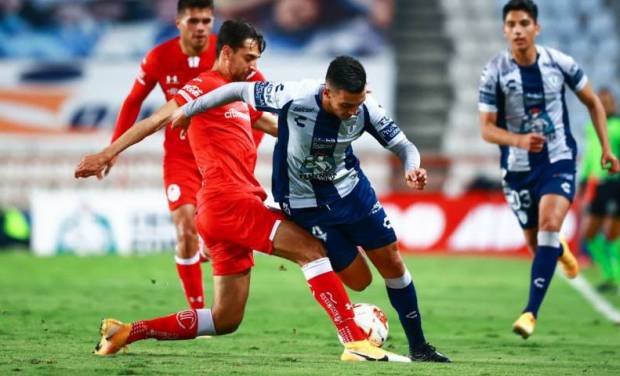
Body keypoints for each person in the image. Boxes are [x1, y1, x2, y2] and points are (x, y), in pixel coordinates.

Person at [75, 19, 409, 363]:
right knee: (311, 250)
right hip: (228, 202)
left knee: (226, 318)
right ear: (226, 52)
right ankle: (356, 341)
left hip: (222, 210)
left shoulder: (234, 98)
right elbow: (156, 119)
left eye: (257, 60)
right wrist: (107, 152)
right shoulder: (204, 85)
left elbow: (284, 129)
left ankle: (126, 332)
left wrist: (333, 136)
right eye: (249, 59)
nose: (254, 67)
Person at [170, 56, 450, 362]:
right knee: (360, 281)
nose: (352, 112)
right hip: (306, 206)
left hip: (352, 193)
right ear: (327, 92)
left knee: (393, 262)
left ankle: (419, 346)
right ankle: (354, 319)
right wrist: (189, 109)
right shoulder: (293, 96)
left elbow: (404, 146)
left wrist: (412, 168)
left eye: (357, 104)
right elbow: (236, 89)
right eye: (346, 105)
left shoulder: (366, 106)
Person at [107, 0, 270, 310]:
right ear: (178, 21)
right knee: (185, 229)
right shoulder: (159, 56)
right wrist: (113, 149)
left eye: (207, 21)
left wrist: (246, 150)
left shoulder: (228, 53)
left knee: (215, 228)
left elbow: (258, 111)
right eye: (194, 21)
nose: (201, 28)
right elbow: (134, 103)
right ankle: (197, 310)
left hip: (219, 162)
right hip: (181, 158)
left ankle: (218, 266)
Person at [478, 0, 620, 339]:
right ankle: (559, 250)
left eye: (524, 23)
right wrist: (519, 140)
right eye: (511, 24)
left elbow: (593, 102)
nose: (517, 30)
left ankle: (530, 312)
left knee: (549, 224)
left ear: (536, 28)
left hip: (557, 160)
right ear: (504, 29)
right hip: (516, 168)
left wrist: (606, 148)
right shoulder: (494, 71)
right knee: (538, 241)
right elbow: (486, 128)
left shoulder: (560, 63)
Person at [578, 89, 620, 293]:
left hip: (619, 183)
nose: (606, 105)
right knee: (589, 234)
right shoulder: (591, 127)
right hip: (598, 184)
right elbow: (591, 154)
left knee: (614, 234)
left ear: (614, 104)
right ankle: (609, 275)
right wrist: (583, 180)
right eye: (601, 101)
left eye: (609, 101)